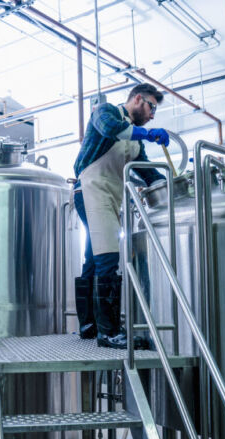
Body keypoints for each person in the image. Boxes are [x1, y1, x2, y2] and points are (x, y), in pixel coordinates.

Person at [73, 83, 169, 349]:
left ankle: (89, 326)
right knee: (108, 255)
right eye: (151, 107)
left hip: (110, 195)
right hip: (89, 190)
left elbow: (146, 170)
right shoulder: (106, 112)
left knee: (94, 257)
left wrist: (170, 182)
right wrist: (148, 133)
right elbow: (110, 129)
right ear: (138, 99)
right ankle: (110, 332)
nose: (152, 115)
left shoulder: (136, 138)